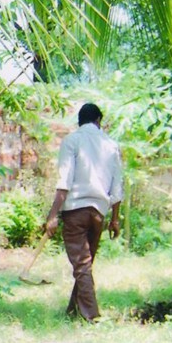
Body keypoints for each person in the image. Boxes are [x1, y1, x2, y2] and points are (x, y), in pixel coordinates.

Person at [44, 103, 123, 322]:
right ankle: (74, 311)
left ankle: (91, 316)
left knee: (82, 265)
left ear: (80, 121)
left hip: (76, 212)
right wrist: (115, 220)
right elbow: (117, 186)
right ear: (98, 120)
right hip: (98, 213)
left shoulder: (72, 140)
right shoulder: (111, 145)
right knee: (84, 265)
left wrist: (52, 215)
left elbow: (64, 182)